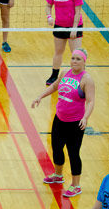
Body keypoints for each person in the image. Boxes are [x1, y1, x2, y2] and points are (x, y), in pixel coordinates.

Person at [31, 48, 95, 197]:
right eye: (73, 58)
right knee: (57, 148)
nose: (74, 61)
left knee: (73, 153)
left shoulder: (87, 80)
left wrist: (85, 117)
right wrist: (40, 96)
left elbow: (91, 101)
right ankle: (58, 176)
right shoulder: (65, 72)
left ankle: (76, 185)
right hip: (59, 118)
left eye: (78, 59)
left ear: (84, 61)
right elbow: (54, 86)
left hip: (75, 123)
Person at [44, 0, 83, 85]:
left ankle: (80, 77)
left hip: (73, 27)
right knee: (58, 51)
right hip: (59, 26)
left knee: (76, 54)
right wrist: (49, 17)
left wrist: (74, 28)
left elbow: (78, 11)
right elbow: (48, 5)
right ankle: (54, 76)